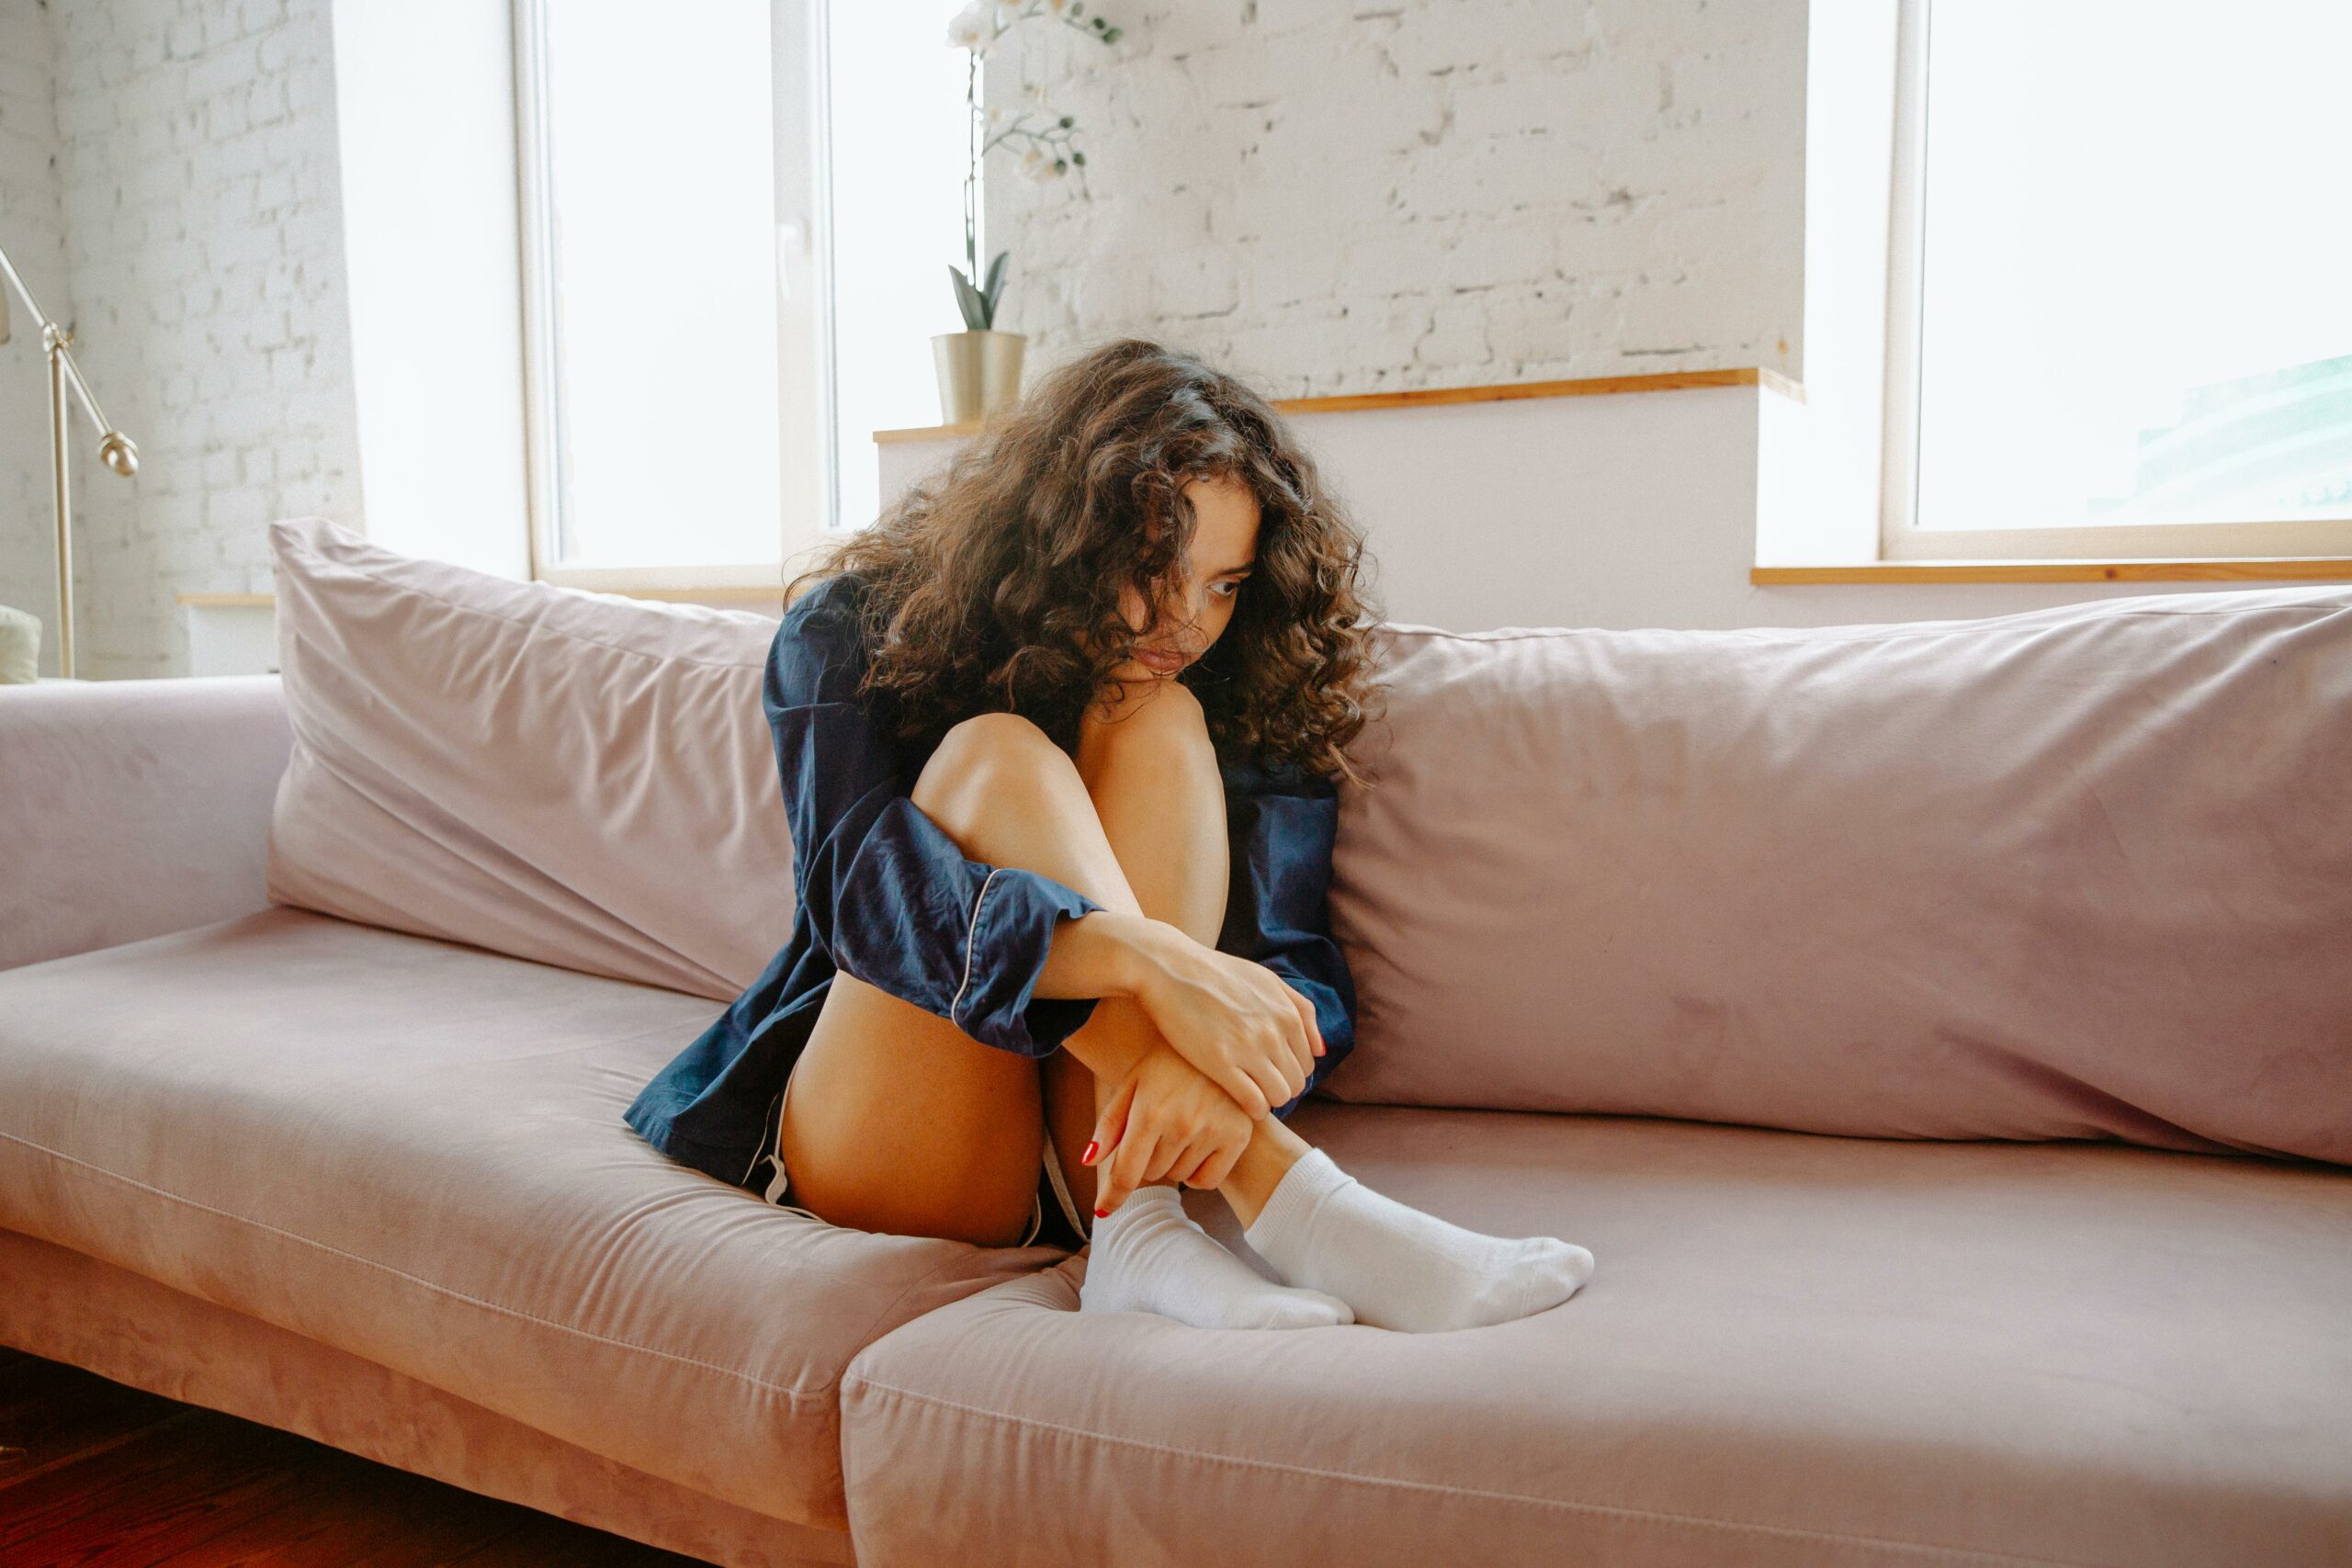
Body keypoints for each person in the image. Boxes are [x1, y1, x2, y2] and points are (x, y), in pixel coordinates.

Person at [623, 337, 1594, 1332]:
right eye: (1153, 569)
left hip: (1106, 1154)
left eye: (1223, 583)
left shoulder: (1240, 673)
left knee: (1159, 712)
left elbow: (1293, 964)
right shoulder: (846, 629)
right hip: (902, 1142)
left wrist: (1182, 1046)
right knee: (996, 755)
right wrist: (1144, 959)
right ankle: (1300, 1203)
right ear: (1059, 535)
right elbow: (860, 898)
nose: (1187, 618)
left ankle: (1136, 1234)